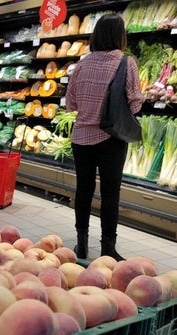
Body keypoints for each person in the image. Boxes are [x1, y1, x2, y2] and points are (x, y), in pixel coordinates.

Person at [65, 13, 144, 261]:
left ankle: (81, 245)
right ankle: (108, 248)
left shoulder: (82, 64)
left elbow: (71, 104)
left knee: (83, 191)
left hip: (81, 138)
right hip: (111, 138)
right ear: (120, 36)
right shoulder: (126, 62)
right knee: (111, 194)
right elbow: (135, 103)